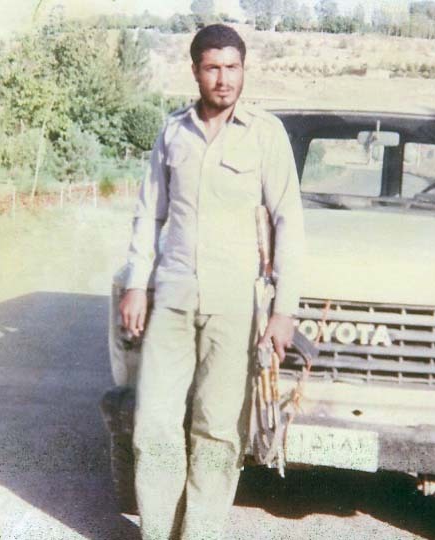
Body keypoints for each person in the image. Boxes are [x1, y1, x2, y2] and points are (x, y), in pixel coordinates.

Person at [119, 24, 304, 540]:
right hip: (173, 297)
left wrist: (284, 310)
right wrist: (136, 284)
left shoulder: (266, 133)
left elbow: (288, 221)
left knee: (218, 429)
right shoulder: (173, 132)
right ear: (195, 71)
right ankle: (157, 531)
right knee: (154, 423)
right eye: (212, 68)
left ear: (244, 70)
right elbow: (149, 214)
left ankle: (199, 532)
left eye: (232, 67)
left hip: (235, 303)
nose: (224, 79)